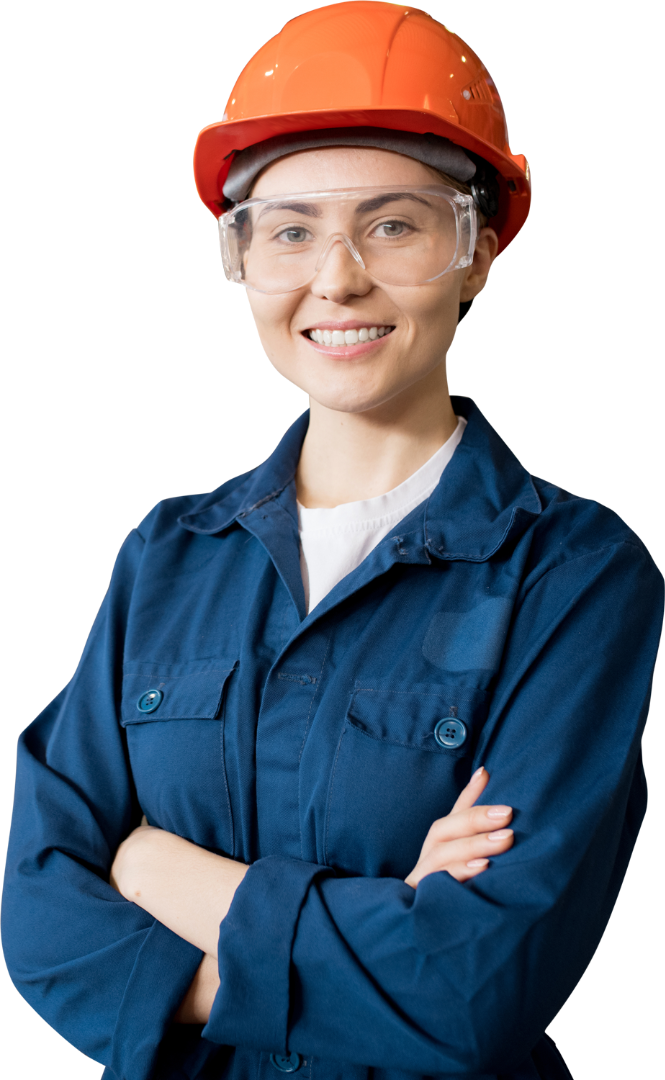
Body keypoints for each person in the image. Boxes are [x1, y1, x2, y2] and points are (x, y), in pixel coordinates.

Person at [3, 4, 663, 1080]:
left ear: (477, 250)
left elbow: (472, 992)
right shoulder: (166, 557)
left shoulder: (575, 576)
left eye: (394, 223)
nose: (337, 277)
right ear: (243, 257)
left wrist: (155, 869)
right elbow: (39, 915)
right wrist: (389, 914)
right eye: (291, 228)